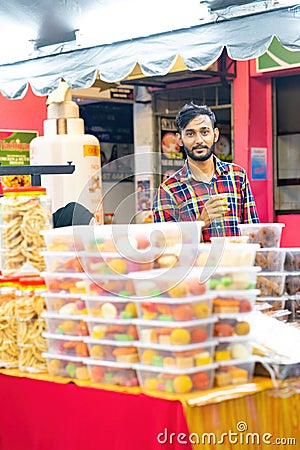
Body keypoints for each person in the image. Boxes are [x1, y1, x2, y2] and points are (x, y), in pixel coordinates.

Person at [152, 102, 259, 242]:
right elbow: (164, 246)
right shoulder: (168, 190)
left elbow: (253, 231)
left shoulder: (237, 176)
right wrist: (200, 224)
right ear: (180, 139)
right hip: (198, 264)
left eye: (204, 132)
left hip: (238, 262)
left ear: (215, 135)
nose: (199, 140)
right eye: (190, 134)